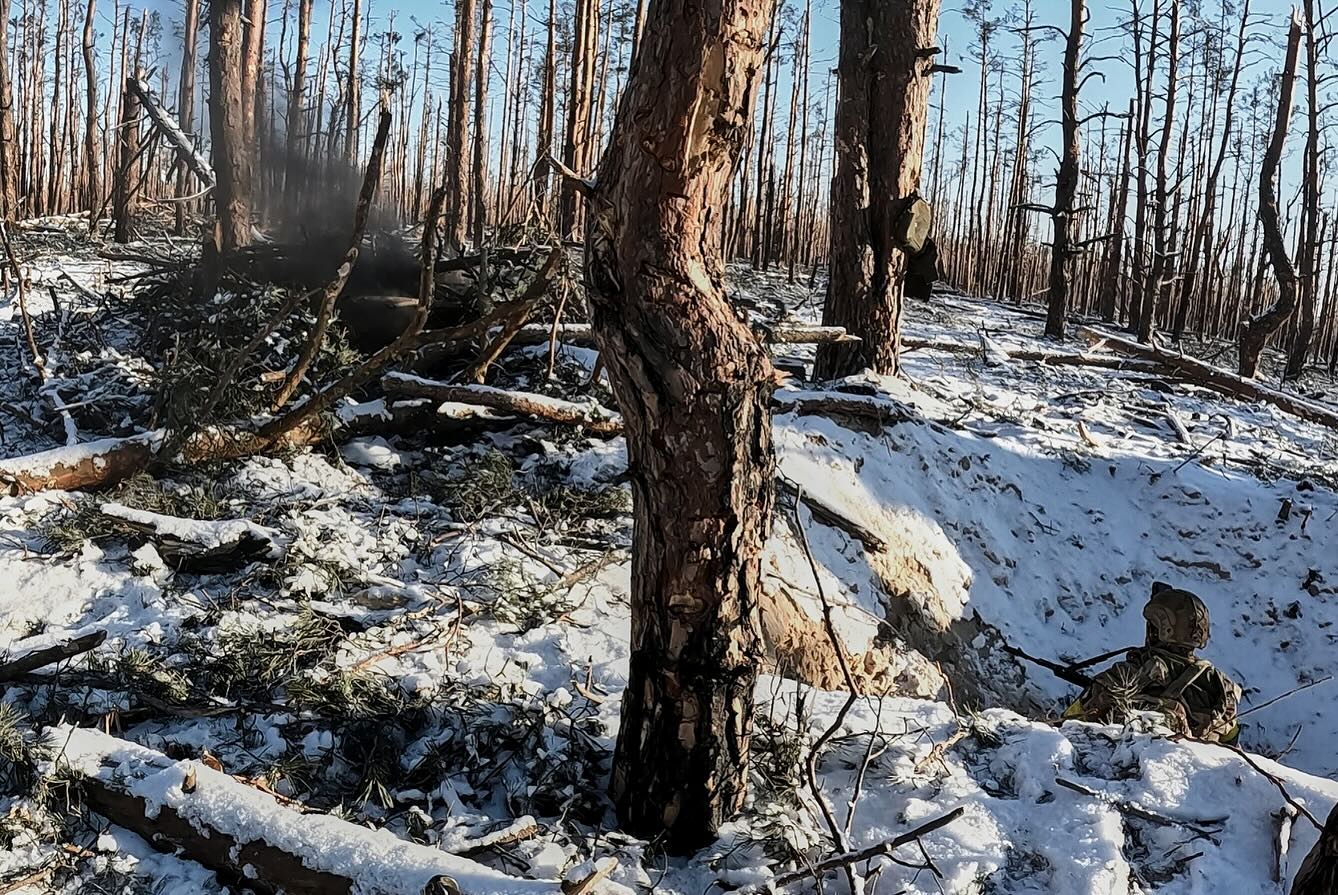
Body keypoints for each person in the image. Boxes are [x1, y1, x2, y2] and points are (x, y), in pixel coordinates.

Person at [1063, 583, 1242, 744]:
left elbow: (1067, 724)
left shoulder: (1127, 675)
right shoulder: (1222, 687)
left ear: (1159, 630)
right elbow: (1231, 744)